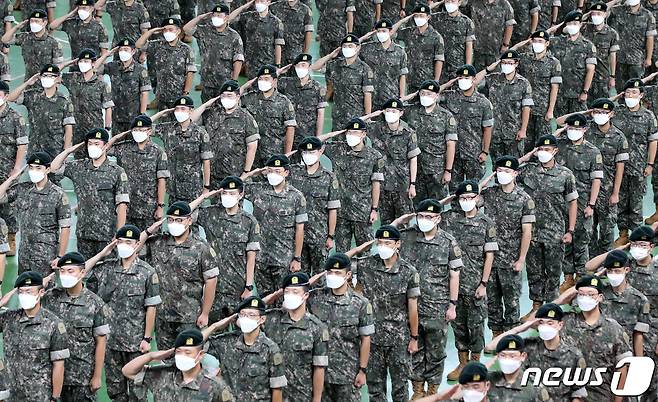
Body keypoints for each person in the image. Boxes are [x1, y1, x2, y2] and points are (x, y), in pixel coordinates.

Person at [392, 198, 462, 399]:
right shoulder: (407, 237)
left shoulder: (448, 242)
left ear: (438, 218)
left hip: (437, 306)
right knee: (413, 349)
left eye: (429, 217)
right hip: (410, 307)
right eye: (421, 216)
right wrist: (398, 221)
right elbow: (385, 237)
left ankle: (432, 390)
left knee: (435, 352)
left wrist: (452, 305)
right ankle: (417, 391)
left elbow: (454, 274)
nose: (424, 220)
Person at [87, 225, 161, 402]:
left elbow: (151, 307)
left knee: (138, 391)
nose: (124, 246)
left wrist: (147, 338)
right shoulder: (105, 269)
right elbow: (81, 273)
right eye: (120, 242)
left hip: (135, 342)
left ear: (137, 245)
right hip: (110, 342)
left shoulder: (147, 272)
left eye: (128, 242)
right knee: (116, 391)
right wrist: (103, 253)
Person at [353, 224, 420, 402]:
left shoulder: (408, 272)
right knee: (375, 388)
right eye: (380, 242)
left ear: (397, 244)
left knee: (400, 388)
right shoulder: (365, 265)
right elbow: (358, 296)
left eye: (387, 242)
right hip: (372, 339)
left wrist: (414, 338)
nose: (383, 246)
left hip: (398, 340)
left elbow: (412, 308)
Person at [140, 201, 218, 350]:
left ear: (189, 220)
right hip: (163, 315)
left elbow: (211, 281)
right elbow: (134, 249)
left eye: (179, 220)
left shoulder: (201, 248)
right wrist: (149, 230)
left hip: (189, 316)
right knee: (165, 358)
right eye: (170, 220)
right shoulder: (158, 243)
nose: (174, 223)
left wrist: (205, 313)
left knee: (188, 357)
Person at [441, 180, 497, 381]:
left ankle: (475, 363)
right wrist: (447, 200)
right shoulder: (449, 220)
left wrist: (483, 283)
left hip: (475, 285)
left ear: (477, 199)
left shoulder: (486, 224)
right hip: (454, 286)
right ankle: (463, 363)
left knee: (475, 326)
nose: (467, 201)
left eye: (470, 198)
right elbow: (430, 211)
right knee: (459, 327)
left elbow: (489, 257)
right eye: (463, 198)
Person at [50, 128, 130, 268]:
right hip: (84, 232)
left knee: (106, 274)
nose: (92, 147)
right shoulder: (79, 167)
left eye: (97, 144)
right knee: (85, 274)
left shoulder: (116, 171)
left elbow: (122, 205)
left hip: (106, 234)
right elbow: (54, 168)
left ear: (105, 146)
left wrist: (119, 232)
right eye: (90, 143)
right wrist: (69, 150)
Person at [517, 134, 578, 319]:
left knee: (553, 272)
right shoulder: (528, 171)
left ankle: (551, 309)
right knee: (534, 271)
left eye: (547, 150)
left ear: (555, 151)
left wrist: (570, 230)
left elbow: (572, 202)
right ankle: (536, 307)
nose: (544, 153)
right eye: (541, 150)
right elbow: (504, 170)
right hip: (532, 232)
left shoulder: (565, 175)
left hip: (555, 232)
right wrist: (527, 157)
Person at [42, 251, 110, 401]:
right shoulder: (50, 298)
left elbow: (101, 342)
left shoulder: (95, 304)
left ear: (82, 272)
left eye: (70, 271)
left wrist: (97, 376)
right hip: (53, 375)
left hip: (82, 377)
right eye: (62, 271)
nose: (65, 274)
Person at [485, 303, 588, 401]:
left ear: (560, 325)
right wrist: (521, 329)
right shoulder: (529, 346)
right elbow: (490, 347)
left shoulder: (573, 354)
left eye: (550, 323)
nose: (545, 326)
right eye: (541, 323)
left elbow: (578, 391)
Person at [307, 253, 374, 402]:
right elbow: (296, 292)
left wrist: (362, 370)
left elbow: (366, 339)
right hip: (319, 373)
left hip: (347, 373)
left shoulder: (360, 304)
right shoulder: (315, 298)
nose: (333, 275)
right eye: (330, 272)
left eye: (338, 272)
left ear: (348, 274)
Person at [481, 156, 535, 336]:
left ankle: (510, 340)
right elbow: (471, 199)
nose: (503, 174)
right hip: (490, 259)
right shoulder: (489, 194)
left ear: (515, 173)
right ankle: (496, 337)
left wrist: (521, 259)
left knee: (511, 303)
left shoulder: (524, 199)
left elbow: (527, 232)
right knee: (493, 303)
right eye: (499, 171)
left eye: (507, 171)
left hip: (511, 260)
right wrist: (486, 180)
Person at [556, 275, 633, 402]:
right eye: (581, 294)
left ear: (600, 298)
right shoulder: (565, 323)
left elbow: (622, 370)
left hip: (602, 396)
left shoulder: (613, 329)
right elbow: (537, 319)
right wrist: (561, 299)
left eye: (590, 294)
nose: (585, 298)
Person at [195, 175, 261, 321]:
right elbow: (187, 213)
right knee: (213, 334)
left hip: (237, 287)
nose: (228, 196)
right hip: (214, 287)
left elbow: (251, 257)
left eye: (232, 193)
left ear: (241, 194)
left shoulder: (249, 222)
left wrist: (249, 287)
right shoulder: (210, 214)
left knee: (238, 331)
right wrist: (205, 196)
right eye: (224, 193)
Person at [243, 154, 307, 296]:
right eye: (271, 171)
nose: (273, 174)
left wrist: (297, 258)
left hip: (283, 257)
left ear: (286, 172)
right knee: (264, 299)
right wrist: (256, 172)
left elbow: (299, 229)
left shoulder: (296, 196)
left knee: (282, 297)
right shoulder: (257, 190)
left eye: (277, 171)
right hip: (261, 257)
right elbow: (237, 186)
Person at [0, 271, 70, 402]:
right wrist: (2, 301)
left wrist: (55, 398)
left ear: (41, 292)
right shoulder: (8, 318)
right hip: (11, 395)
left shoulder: (54, 324)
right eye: (21, 292)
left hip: (39, 395)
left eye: (29, 292)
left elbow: (59, 365)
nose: (24, 296)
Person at [554, 113, 603, 291]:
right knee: (565, 240)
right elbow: (558, 121)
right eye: (571, 128)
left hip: (582, 203)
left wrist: (591, 204)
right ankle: (568, 277)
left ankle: (581, 276)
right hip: (561, 203)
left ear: (585, 130)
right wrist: (563, 129)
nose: (573, 132)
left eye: (577, 129)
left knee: (582, 240)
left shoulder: (592, 152)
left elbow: (596, 180)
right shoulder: (559, 146)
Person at [0, 152, 71, 275]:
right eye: (31, 168)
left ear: (48, 169)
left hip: (45, 256)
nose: (34, 171)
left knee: (45, 292)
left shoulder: (58, 194)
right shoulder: (22, 189)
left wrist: (60, 256)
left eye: (38, 168)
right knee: (24, 290)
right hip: (24, 255)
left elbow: (65, 227)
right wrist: (12, 178)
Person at [262, 272, 329, 402]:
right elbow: (242, 315)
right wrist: (275, 295)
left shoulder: (317, 327)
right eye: (287, 292)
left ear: (305, 295)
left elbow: (319, 368)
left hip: (300, 394)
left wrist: (317, 399)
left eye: (295, 292)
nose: (290, 295)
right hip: (269, 394)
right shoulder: (271, 319)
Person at [206, 296, 288, 402]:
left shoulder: (271, 349)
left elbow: (277, 389)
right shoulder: (227, 343)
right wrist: (215, 326)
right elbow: (194, 346)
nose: (246, 318)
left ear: (262, 319)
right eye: (243, 315)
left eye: (251, 315)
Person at [323, 117, 384, 253]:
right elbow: (317, 143)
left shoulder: (374, 156)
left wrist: (374, 209)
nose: (352, 136)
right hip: (341, 213)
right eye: (349, 132)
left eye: (356, 132)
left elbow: (376, 185)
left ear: (363, 134)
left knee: (365, 254)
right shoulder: (337, 150)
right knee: (342, 254)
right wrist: (334, 134)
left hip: (362, 213)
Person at [122, 328, 234, 401]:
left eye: (188, 352)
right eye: (179, 352)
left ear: (200, 355)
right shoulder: (162, 375)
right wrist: (150, 356)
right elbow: (128, 371)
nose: (182, 356)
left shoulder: (215, 385)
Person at [612, 78, 658, 246]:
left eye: (634, 92)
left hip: (638, 167)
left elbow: (653, 141)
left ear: (641, 95)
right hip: (618, 167)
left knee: (636, 203)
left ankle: (636, 236)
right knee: (621, 201)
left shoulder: (648, 116)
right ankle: (623, 234)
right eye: (628, 92)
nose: (630, 95)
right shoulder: (616, 112)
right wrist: (615, 98)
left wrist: (650, 164)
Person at [580, 249, 650, 355]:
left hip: (624, 353)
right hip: (598, 352)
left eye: (617, 271)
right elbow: (587, 267)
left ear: (626, 270)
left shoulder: (639, 299)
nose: (613, 274)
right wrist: (596, 276)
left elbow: (638, 335)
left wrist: (638, 362)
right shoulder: (598, 292)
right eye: (609, 271)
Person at [288, 137, 340, 273]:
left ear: (320, 152)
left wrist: (331, 236)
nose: (308, 156)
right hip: (296, 236)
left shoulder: (329, 177)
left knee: (320, 277)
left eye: (312, 152)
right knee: (299, 277)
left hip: (319, 236)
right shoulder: (293, 173)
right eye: (305, 152)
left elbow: (332, 209)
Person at [585, 98, 628, 256]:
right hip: (587, 190)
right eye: (596, 112)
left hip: (607, 190)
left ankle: (605, 264)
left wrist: (616, 193)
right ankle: (592, 266)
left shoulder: (618, 137)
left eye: (603, 112)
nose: (599, 115)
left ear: (611, 114)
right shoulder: (586, 131)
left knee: (606, 231)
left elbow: (620, 168)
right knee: (588, 231)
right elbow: (563, 122)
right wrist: (585, 113)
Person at [112, 114, 169, 230]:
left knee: (151, 243)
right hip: (127, 208)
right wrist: (122, 135)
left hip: (149, 208)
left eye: (141, 130)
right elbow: (104, 148)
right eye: (135, 130)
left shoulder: (158, 152)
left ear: (149, 131)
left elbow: (161, 181)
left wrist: (160, 207)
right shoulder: (123, 148)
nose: (138, 132)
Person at [402, 79, 457, 200]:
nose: (425, 96)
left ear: (437, 95)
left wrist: (448, 170)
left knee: (436, 208)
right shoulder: (412, 111)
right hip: (416, 170)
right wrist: (412, 96)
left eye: (429, 94)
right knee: (417, 207)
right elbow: (394, 106)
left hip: (436, 170)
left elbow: (450, 145)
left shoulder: (446, 116)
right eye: (423, 93)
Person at [440, 65, 494, 186]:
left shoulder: (483, 103)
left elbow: (487, 129)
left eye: (466, 77)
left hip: (473, 153)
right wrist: (449, 83)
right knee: (455, 190)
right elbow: (432, 94)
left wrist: (485, 152)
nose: (463, 80)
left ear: (474, 79)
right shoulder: (450, 96)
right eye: (460, 78)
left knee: (472, 191)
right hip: (454, 154)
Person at [369, 98, 420, 224]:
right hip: (383, 186)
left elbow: (413, 159)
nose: (391, 113)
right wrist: (374, 114)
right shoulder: (376, 129)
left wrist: (412, 184)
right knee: (386, 224)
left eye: (394, 111)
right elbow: (356, 124)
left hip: (402, 186)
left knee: (404, 224)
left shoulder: (408, 133)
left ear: (401, 113)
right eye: (388, 111)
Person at [6, 64, 74, 159]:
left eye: (51, 76)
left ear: (58, 79)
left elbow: (68, 128)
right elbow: (10, 98)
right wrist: (27, 83)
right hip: (34, 150)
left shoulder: (63, 101)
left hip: (54, 151)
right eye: (45, 75)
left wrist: (64, 153)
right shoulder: (33, 96)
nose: (47, 78)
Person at [154, 95, 212, 203]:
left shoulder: (200, 133)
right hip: (173, 189)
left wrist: (206, 186)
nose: (179, 111)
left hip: (193, 189)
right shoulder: (167, 129)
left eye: (183, 109)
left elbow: (206, 161)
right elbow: (145, 127)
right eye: (177, 109)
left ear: (191, 111)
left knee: (192, 219)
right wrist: (161, 113)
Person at [200, 80, 259, 185]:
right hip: (213, 174)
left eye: (229, 95)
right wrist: (205, 106)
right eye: (223, 95)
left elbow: (252, 147)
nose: (226, 98)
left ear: (238, 97)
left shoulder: (246, 118)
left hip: (234, 174)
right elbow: (191, 120)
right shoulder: (212, 113)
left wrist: (246, 172)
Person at [183, 4, 244, 102]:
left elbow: (238, 60)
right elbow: (186, 29)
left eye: (219, 16)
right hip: (207, 82)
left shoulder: (234, 36)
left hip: (224, 83)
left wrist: (234, 80)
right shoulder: (205, 31)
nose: (216, 18)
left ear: (226, 17)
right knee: (207, 111)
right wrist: (200, 17)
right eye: (214, 15)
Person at [624, 225, 658, 402]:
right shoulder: (626, 266)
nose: (638, 248)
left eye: (643, 245)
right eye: (635, 244)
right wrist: (621, 250)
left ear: (651, 246)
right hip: (625, 332)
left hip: (652, 336)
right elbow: (590, 267)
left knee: (650, 384)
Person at [241, 65, 297, 166]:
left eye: (267, 79)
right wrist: (245, 86)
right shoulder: (249, 98)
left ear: (275, 81)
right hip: (253, 155)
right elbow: (234, 99)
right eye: (260, 79)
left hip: (274, 155)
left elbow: (290, 129)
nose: (263, 81)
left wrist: (287, 155)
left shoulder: (284, 102)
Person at [482, 50, 534, 160]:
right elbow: (474, 82)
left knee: (514, 166)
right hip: (495, 132)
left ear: (516, 64)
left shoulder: (523, 83)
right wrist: (488, 69)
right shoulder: (492, 79)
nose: (506, 66)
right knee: (497, 167)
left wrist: (523, 129)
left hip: (513, 133)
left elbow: (526, 107)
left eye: (510, 63)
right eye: (504, 63)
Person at [135, 17, 196, 109]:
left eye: (170, 29)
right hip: (161, 96)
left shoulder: (186, 49)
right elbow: (138, 45)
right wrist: (151, 31)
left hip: (178, 96)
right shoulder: (157, 45)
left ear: (178, 31)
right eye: (165, 30)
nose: (168, 32)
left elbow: (190, 73)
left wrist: (186, 93)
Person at [518, 30, 561, 154]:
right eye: (535, 41)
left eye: (540, 41)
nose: (537, 43)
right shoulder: (524, 59)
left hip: (542, 109)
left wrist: (550, 110)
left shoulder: (553, 62)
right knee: (525, 143)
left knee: (542, 144)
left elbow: (554, 88)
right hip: (525, 109)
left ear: (547, 43)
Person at [61, 48, 114, 149]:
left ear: (93, 63)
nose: (82, 64)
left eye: (86, 61)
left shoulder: (101, 85)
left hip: (94, 129)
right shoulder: (72, 79)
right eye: (80, 61)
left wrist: (107, 128)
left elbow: (108, 108)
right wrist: (69, 63)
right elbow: (54, 73)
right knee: (78, 158)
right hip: (76, 129)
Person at [549, 10, 597, 115]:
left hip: (577, 94)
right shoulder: (557, 42)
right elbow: (541, 37)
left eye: (575, 24)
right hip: (560, 93)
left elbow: (590, 70)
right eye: (569, 24)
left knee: (579, 124)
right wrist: (559, 26)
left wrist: (585, 91)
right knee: (560, 125)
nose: (572, 26)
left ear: (580, 24)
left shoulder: (588, 46)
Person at [325, 34, 374, 130]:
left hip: (355, 117)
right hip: (338, 117)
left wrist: (367, 117)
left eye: (350, 46)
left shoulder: (365, 69)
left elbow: (367, 95)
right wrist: (330, 56)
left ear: (358, 48)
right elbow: (314, 67)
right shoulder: (335, 65)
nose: (347, 48)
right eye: (345, 46)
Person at [0, 80, 27, 257]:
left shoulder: (16, 118)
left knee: (8, 206)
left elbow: (22, 145)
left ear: (6, 96)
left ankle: (10, 237)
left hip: (8, 169)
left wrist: (17, 167)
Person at [278, 53, 328, 143]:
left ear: (309, 67)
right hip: (286, 135)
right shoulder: (286, 83)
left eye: (303, 65)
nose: (300, 68)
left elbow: (320, 115)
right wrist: (278, 72)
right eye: (298, 65)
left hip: (307, 136)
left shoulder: (318, 88)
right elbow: (269, 85)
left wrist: (318, 138)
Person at [104, 38, 151, 133]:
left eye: (126, 49)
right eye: (121, 49)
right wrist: (107, 54)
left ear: (133, 51)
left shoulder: (140, 70)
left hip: (133, 118)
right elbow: (94, 69)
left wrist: (142, 114)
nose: (122, 52)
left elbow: (144, 94)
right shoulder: (113, 67)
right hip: (117, 117)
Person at [359, 19, 409, 109]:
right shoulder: (368, 48)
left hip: (391, 97)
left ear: (390, 32)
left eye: (384, 31)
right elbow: (351, 49)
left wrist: (402, 96)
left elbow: (402, 75)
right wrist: (364, 37)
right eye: (378, 31)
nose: (381, 33)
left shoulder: (400, 52)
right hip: (371, 99)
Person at [1, 9, 64, 80]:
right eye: (32, 21)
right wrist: (16, 27)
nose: (34, 23)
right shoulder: (25, 37)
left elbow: (58, 66)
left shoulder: (53, 43)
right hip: (28, 82)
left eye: (37, 21)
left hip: (46, 83)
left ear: (45, 22)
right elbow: (4, 40)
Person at [608, 0, 656, 91]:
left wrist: (649, 58)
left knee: (636, 88)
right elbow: (602, 10)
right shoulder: (617, 10)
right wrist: (616, 0)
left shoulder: (647, 15)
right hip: (619, 58)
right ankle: (622, 105)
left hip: (637, 59)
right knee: (621, 89)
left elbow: (650, 38)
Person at [398, 4, 444, 92]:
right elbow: (391, 32)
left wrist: (436, 80)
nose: (418, 18)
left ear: (428, 17)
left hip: (427, 80)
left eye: (421, 16)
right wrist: (406, 19)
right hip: (411, 80)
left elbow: (439, 59)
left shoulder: (436, 36)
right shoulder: (409, 33)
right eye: (416, 16)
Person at [232, 0, 285, 76]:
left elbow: (278, 45)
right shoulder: (248, 17)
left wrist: (277, 65)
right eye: (257, 1)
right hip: (251, 64)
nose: (259, 3)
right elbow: (229, 19)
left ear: (268, 2)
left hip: (267, 63)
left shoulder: (276, 22)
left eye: (262, 1)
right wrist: (244, 7)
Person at [581, 2, 620, 101]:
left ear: (605, 14)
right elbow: (568, 26)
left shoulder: (612, 33)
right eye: (593, 14)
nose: (596, 16)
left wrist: (612, 76)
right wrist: (585, 15)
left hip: (601, 75)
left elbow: (612, 56)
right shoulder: (585, 28)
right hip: (583, 74)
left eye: (599, 14)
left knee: (600, 104)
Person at [430, 0, 475, 81]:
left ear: (459, 2)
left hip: (457, 67)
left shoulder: (466, 22)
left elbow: (469, 46)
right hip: (439, 68)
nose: (449, 3)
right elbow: (421, 15)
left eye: (452, 1)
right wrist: (437, 4)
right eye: (447, 1)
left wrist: (468, 66)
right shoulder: (436, 18)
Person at [467, 0, 516, 71]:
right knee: (477, 78)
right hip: (478, 51)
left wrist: (505, 45)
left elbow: (509, 25)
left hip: (496, 51)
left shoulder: (504, 4)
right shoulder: (474, 3)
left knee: (495, 77)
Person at [271, 0, 314, 65]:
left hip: (296, 54)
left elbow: (308, 33)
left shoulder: (305, 10)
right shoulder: (274, 7)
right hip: (278, 55)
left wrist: (305, 54)